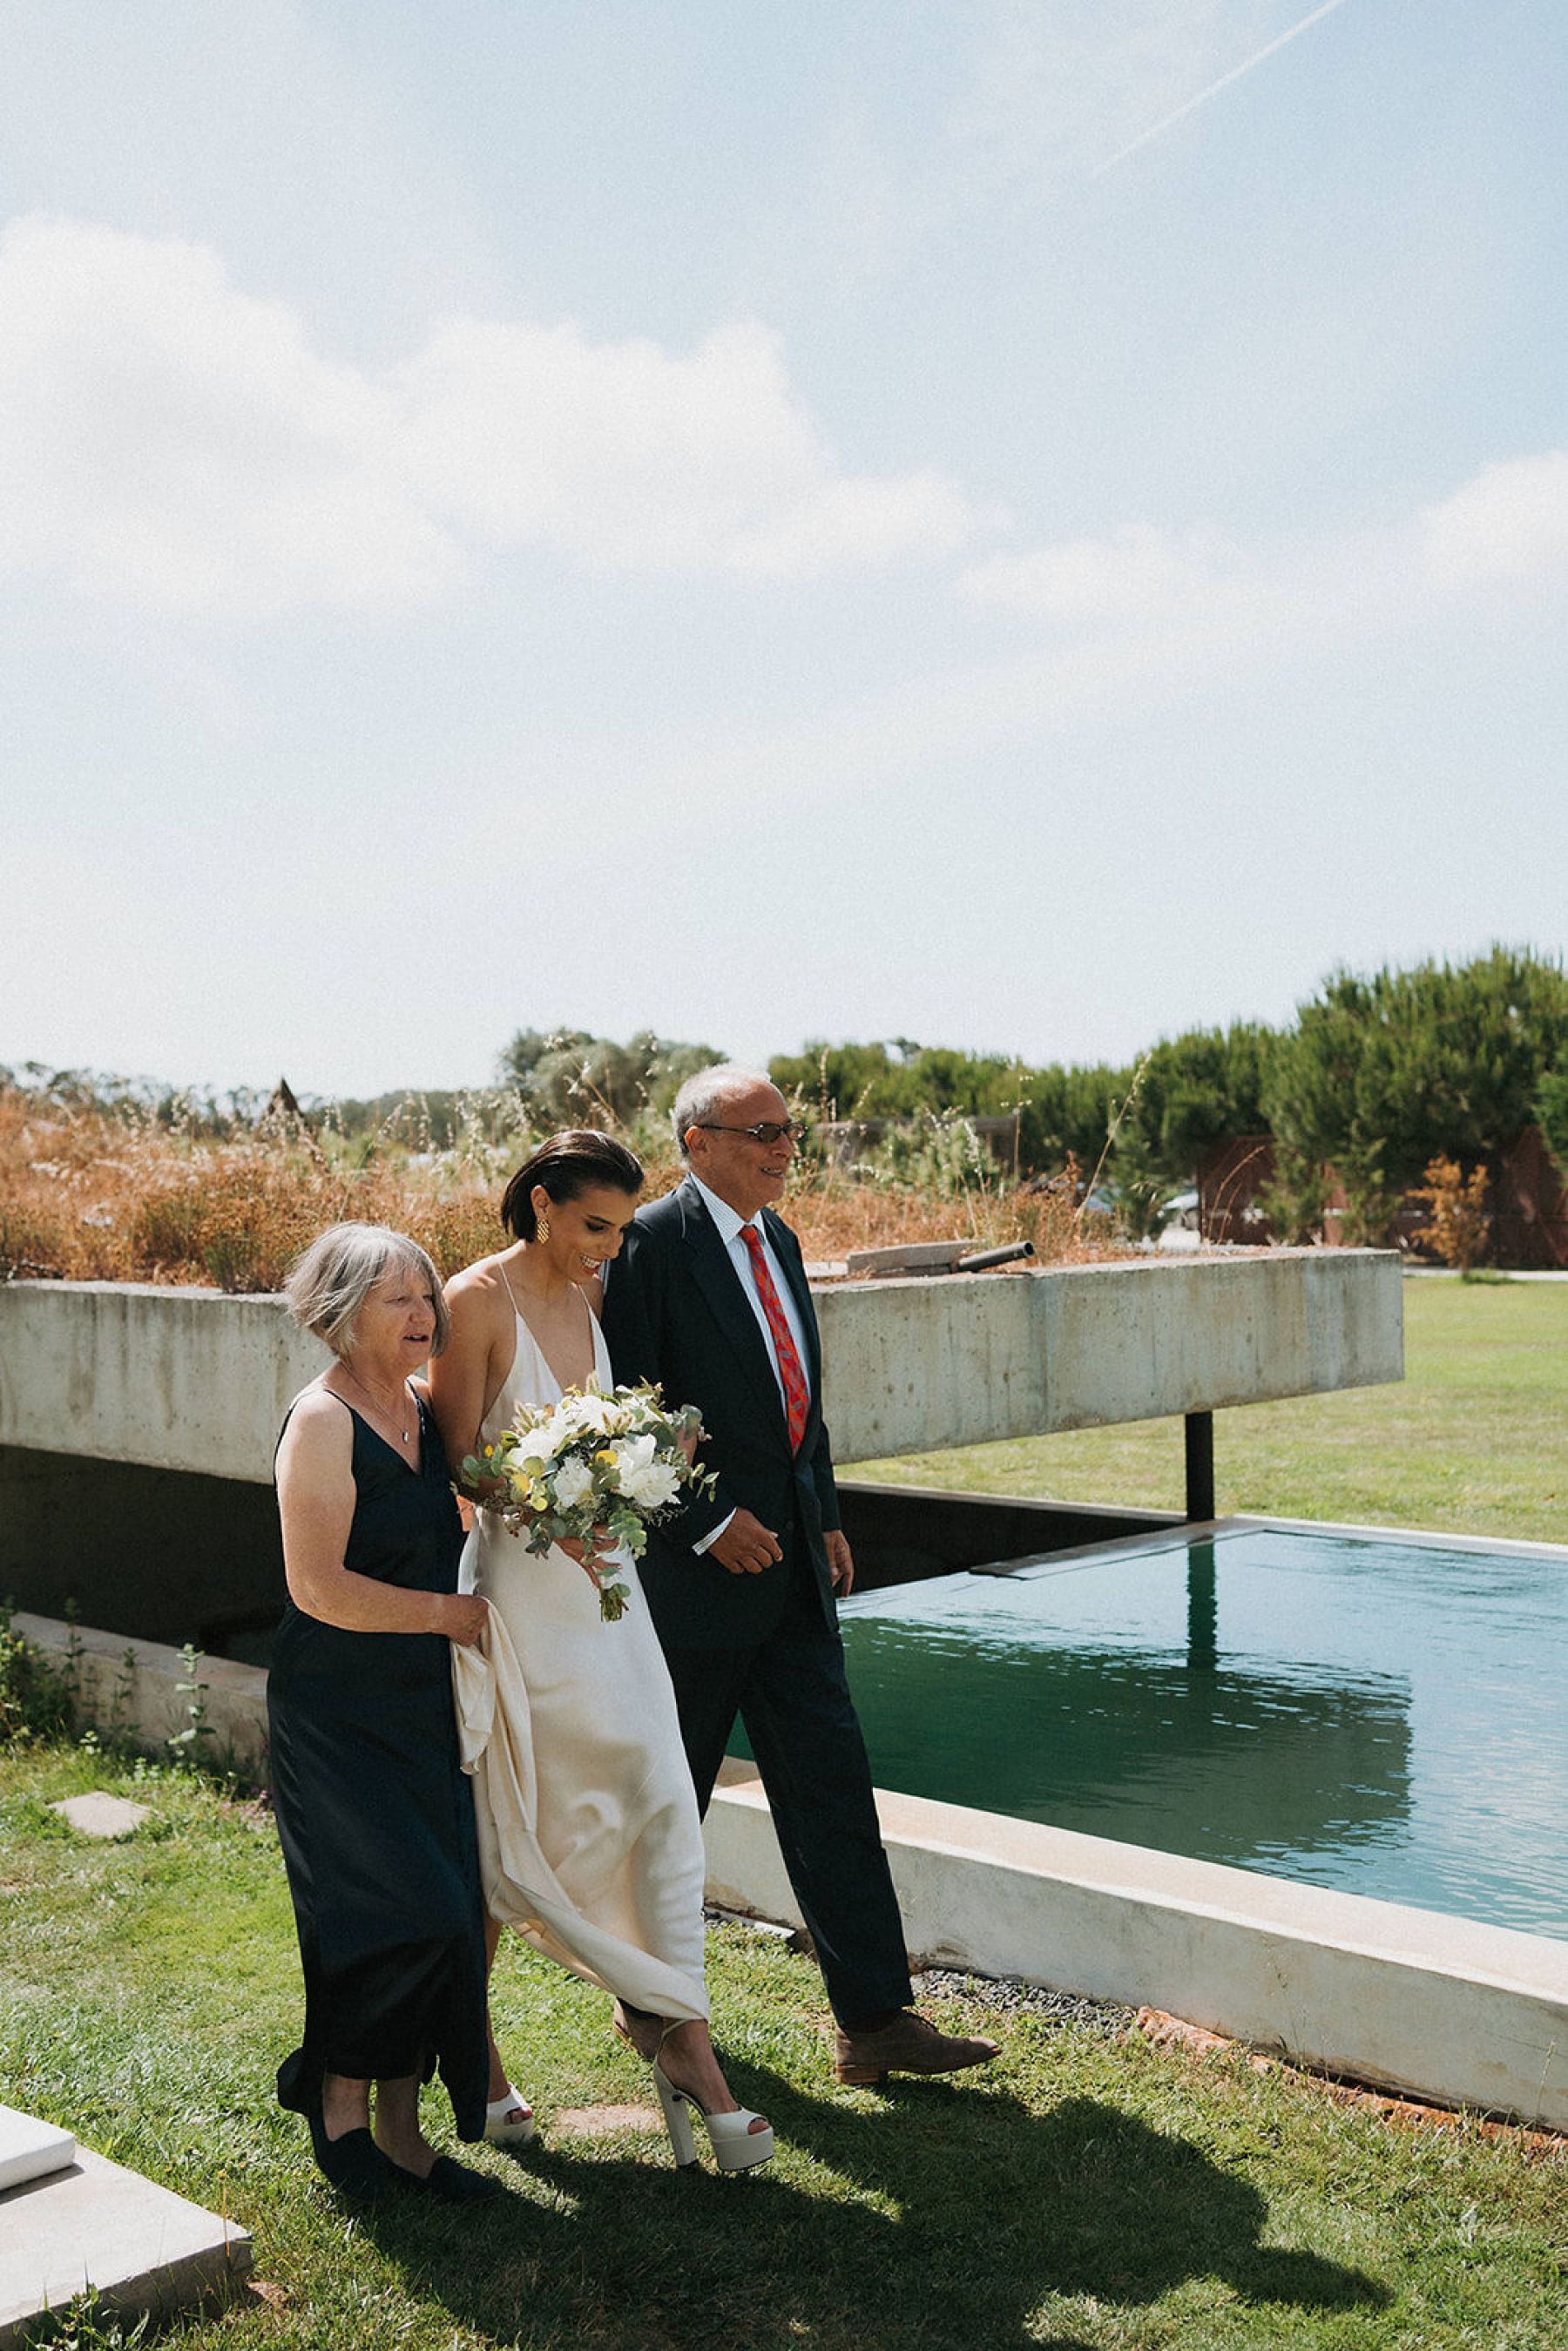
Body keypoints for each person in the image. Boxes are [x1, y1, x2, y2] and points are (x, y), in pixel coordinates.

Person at [600, 1067, 1001, 2088]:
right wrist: (703, 1522)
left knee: (830, 1791)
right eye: (761, 1131)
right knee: (669, 1799)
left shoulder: (779, 1240)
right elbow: (624, 1411)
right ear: (696, 1141)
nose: (784, 1147)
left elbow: (796, 1397)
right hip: (700, 1584)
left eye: (790, 1130)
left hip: (792, 1579)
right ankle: (646, 2000)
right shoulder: (651, 1241)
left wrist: (823, 1512)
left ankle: (874, 2019)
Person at [428, 1131, 774, 2172]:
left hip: (610, 1593)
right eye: (594, 1226)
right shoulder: (474, 1300)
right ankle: (477, 2059)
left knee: (658, 1793)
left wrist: (640, 1470)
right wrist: (548, 1499)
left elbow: (600, 1436)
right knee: (516, 1825)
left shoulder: (587, 1301)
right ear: (540, 1203)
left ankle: (674, 2034)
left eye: (621, 1232)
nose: (609, 1251)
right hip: (524, 1594)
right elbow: (453, 1461)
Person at [268, 1222, 500, 2204]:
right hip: (338, 1712)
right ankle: (337, 2108)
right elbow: (318, 1586)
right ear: (340, 1309)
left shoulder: (413, 1405)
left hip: (422, 1706)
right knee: (392, 1911)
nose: (425, 1313)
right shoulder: (322, 1420)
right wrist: (448, 1614)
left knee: (446, 1920)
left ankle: (403, 2135)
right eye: (398, 1297)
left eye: (428, 1294)